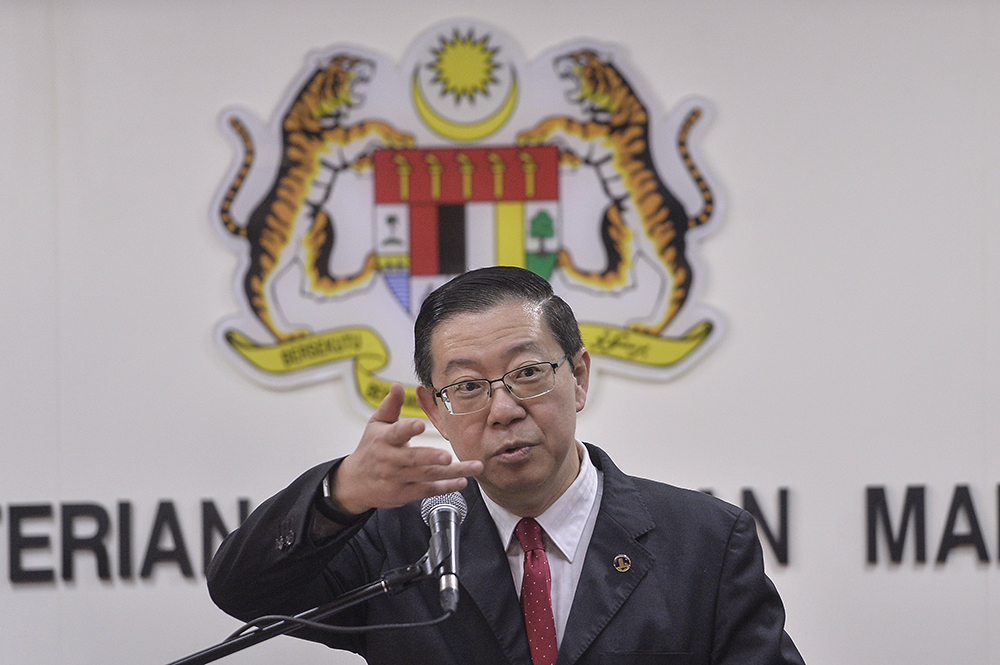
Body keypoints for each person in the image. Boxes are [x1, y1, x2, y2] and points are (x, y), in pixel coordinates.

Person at [207, 266, 806, 665]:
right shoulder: (397, 540)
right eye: (467, 386)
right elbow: (244, 593)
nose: (502, 409)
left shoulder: (705, 541)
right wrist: (339, 496)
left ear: (579, 377)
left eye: (526, 373)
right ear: (433, 410)